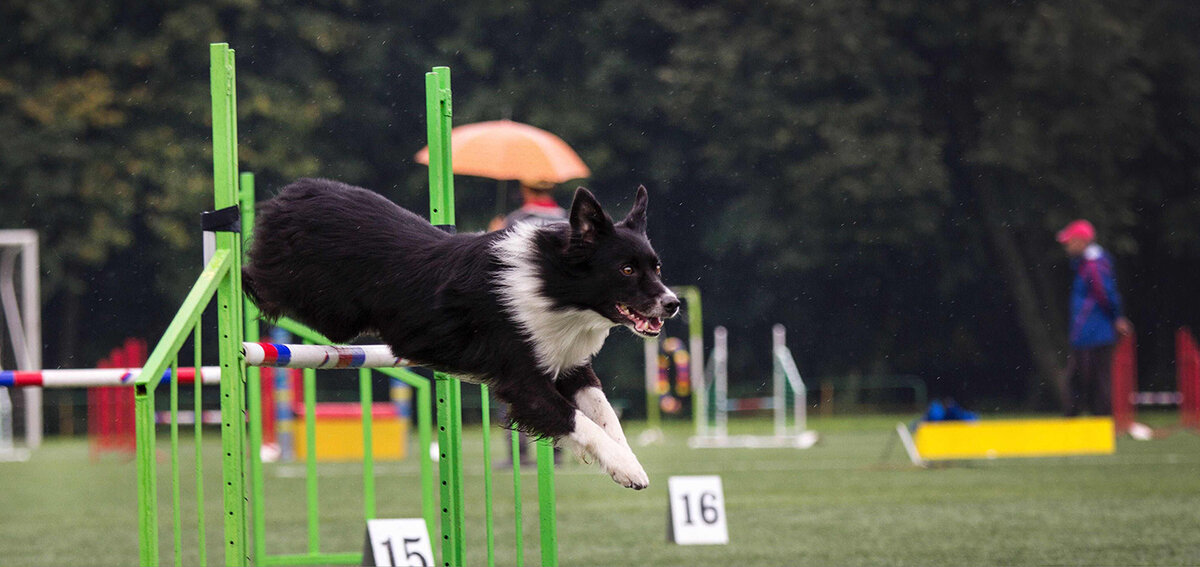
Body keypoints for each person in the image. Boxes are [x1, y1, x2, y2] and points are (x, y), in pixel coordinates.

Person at [490, 179, 567, 467]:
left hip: (522, 315)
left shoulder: (516, 220)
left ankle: (518, 455)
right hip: (557, 317)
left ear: (524, 190)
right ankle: (557, 450)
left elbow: (496, 259)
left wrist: (494, 229)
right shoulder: (566, 220)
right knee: (558, 384)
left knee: (512, 382)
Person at [1056, 219, 1133, 416]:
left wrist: (1117, 318)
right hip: (1087, 331)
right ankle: (1088, 420)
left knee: (1088, 380)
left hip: (1093, 331)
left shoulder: (1094, 265)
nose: (1066, 246)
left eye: (1069, 241)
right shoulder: (1085, 263)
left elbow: (1106, 293)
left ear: (1082, 241)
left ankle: (1093, 422)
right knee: (1088, 380)